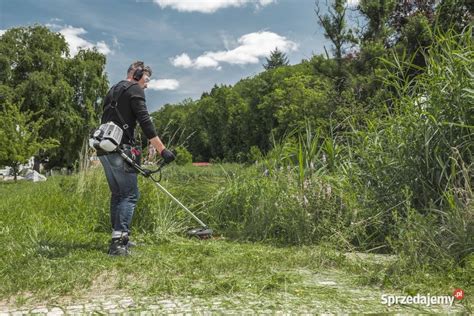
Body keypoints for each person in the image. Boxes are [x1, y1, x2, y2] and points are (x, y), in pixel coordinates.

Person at [98, 61, 175, 256]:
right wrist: (162, 150)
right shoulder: (134, 89)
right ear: (137, 73)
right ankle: (118, 244)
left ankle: (119, 238)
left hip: (104, 148)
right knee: (130, 195)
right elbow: (145, 121)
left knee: (118, 194)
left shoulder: (113, 90)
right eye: (146, 79)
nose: (147, 84)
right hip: (122, 148)